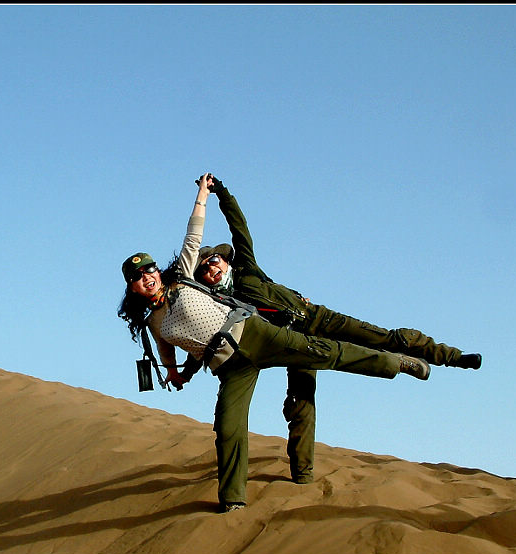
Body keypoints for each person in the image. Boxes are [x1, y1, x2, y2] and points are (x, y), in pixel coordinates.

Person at [118, 174, 432, 513]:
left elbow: (194, 232)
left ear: (157, 271)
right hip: (228, 367)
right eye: (137, 277)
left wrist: (203, 195)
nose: (146, 277)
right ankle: (233, 501)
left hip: (253, 333)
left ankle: (395, 363)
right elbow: (166, 346)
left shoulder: (183, 274)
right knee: (228, 427)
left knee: (322, 353)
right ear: (131, 287)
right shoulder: (151, 320)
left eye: (149, 269)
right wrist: (174, 373)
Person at [187, 174, 482, 485]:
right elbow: (202, 334)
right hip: (291, 342)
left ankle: (451, 357)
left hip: (318, 318)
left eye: (214, 261)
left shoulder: (248, 269)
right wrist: (187, 371)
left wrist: (221, 193)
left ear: (226, 261)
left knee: (386, 338)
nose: (210, 267)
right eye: (204, 267)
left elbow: (240, 229)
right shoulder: (219, 304)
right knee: (302, 405)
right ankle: (303, 477)